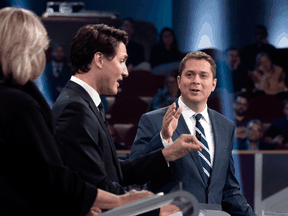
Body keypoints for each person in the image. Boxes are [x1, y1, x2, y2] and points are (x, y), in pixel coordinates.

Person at [0, 7, 155, 216]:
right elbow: (53, 178)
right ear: (24, 52)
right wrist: (121, 201)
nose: (43, 57)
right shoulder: (23, 106)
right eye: (40, 49)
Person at [52, 23, 203, 215]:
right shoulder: (75, 110)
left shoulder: (81, 103)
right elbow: (98, 188)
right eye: (121, 61)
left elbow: (112, 172)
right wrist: (157, 211)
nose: (126, 71)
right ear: (99, 59)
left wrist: (166, 154)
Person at [130, 51, 256, 215]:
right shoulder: (153, 120)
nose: (196, 81)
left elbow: (229, 190)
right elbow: (135, 171)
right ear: (179, 81)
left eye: (203, 76)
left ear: (213, 84)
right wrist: (163, 138)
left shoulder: (226, 126)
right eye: (190, 74)